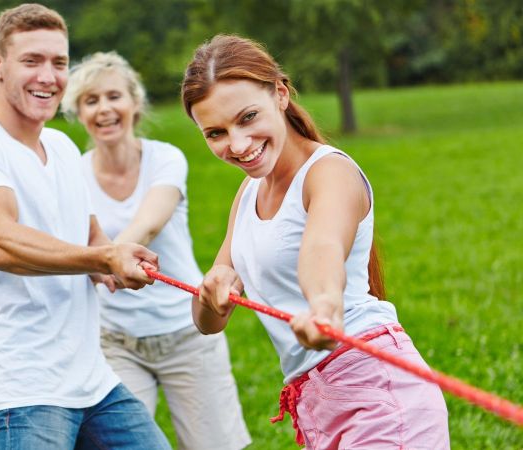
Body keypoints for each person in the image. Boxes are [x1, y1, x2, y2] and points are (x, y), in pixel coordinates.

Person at [181, 35, 450, 449]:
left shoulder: (329, 174)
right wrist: (210, 292)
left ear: (281, 95)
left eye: (248, 117)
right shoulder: (248, 193)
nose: (237, 144)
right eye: (215, 133)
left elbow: (322, 249)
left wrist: (324, 306)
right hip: (316, 400)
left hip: (377, 387)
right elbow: (209, 322)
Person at [0, 4, 170, 449]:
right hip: (20, 389)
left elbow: (88, 232)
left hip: (91, 378)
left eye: (59, 62)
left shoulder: (60, 146)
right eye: (32, 61)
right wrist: (101, 257)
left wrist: (113, 261)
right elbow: (0, 243)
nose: (48, 76)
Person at [61, 51, 252, 450]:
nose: (104, 109)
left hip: (188, 333)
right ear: (78, 113)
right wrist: (96, 263)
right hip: (114, 342)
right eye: (90, 101)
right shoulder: (72, 174)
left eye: (113, 96)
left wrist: (110, 258)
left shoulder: (165, 158)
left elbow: (150, 221)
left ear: (135, 102)